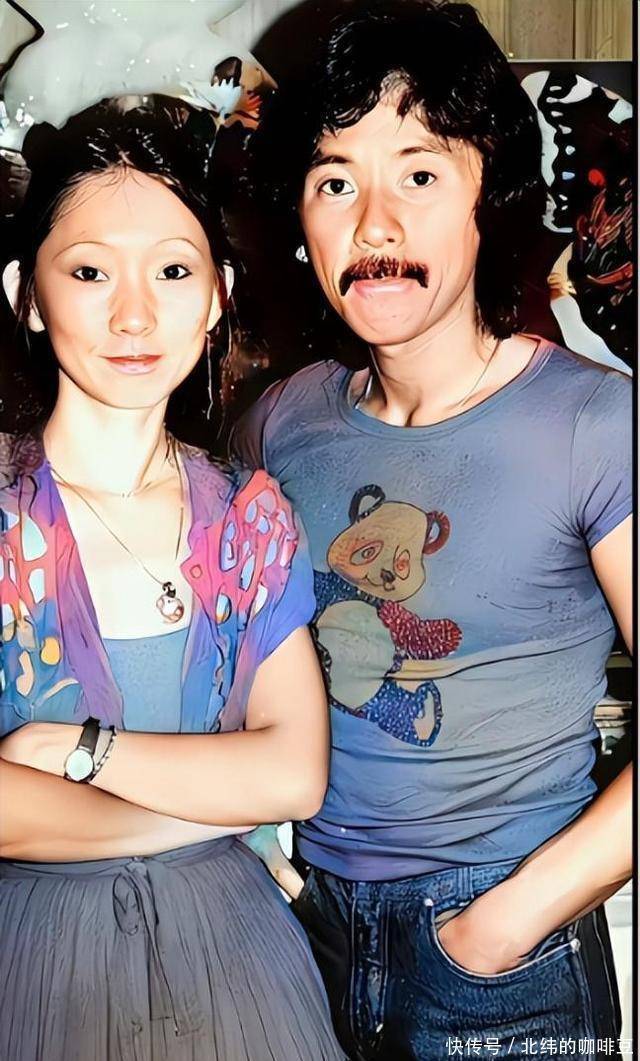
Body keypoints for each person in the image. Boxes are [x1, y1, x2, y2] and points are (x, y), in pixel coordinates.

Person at [231, 2, 632, 1058]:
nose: (374, 227)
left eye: (417, 173)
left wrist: (497, 928)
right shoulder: (281, 421)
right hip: (307, 932)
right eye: (335, 182)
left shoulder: (593, 424)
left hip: (503, 952)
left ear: (486, 198)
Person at [0, 96, 344, 1061]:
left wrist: (70, 749)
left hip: (241, 970)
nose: (135, 313)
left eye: (174, 269)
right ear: (26, 294)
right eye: (90, 271)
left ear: (219, 294)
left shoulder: (250, 516)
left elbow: (295, 773)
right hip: (37, 971)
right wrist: (207, 807)